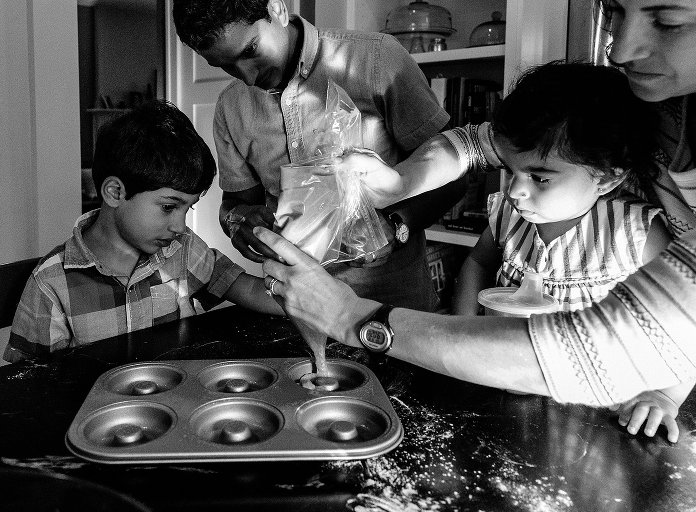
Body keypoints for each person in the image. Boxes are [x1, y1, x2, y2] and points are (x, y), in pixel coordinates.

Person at [254, 0, 696, 444]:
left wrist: (667, 396)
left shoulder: (634, 232)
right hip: (509, 397)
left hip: (598, 421)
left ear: (608, 176)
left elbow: (661, 345)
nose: (618, 50)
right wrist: (398, 183)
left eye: (668, 21)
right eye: (614, 13)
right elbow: (473, 150)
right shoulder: (551, 167)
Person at [172, 0, 465, 313]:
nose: (247, 76)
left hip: (391, 306)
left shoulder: (377, 61)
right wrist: (238, 223)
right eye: (226, 65)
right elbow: (234, 203)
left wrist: (396, 227)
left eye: (250, 50)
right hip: (290, 308)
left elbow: (456, 176)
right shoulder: (230, 107)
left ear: (277, 10)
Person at [5, 100, 284, 362]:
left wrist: (314, 299)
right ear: (115, 192)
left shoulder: (183, 249)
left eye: (188, 209)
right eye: (167, 206)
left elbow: (245, 287)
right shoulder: (51, 284)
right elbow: (34, 385)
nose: (180, 226)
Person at [452, 62, 671, 315]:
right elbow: (478, 262)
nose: (513, 191)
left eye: (540, 178)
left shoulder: (635, 232)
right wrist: (464, 326)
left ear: (605, 179)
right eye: (511, 171)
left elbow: (670, 309)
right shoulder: (508, 216)